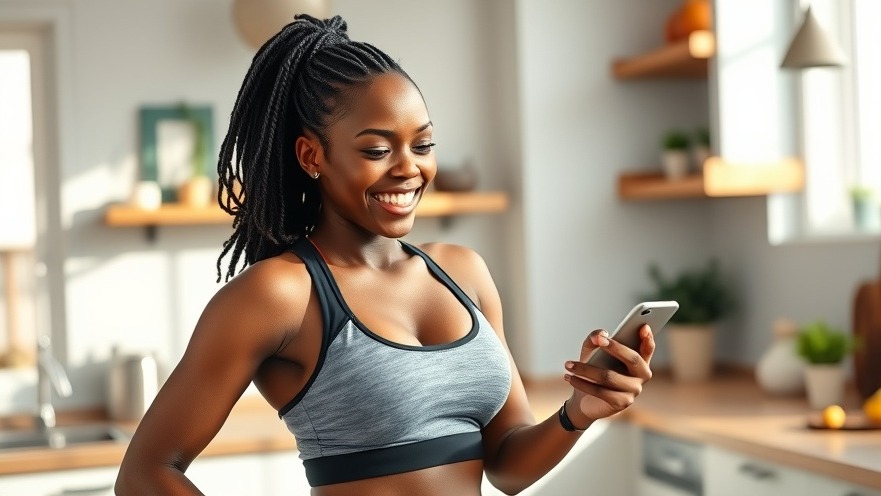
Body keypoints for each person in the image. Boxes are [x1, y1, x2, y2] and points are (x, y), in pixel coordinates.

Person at [115, 14, 655, 496]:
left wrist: (578, 413)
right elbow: (145, 473)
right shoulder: (279, 294)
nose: (408, 168)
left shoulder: (463, 272)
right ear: (311, 155)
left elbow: (506, 466)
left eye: (422, 145)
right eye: (376, 150)